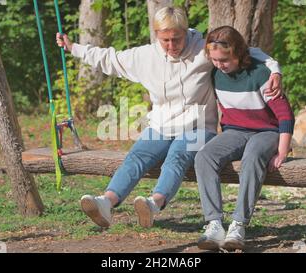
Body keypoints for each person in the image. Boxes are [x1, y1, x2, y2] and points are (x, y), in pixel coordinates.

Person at [56, 6, 283, 229]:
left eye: (177, 39)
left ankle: (154, 204)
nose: (171, 45)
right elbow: (110, 58)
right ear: (157, 36)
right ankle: (106, 202)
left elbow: (243, 51)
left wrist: (274, 69)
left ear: (186, 32)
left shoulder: (201, 49)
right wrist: (73, 47)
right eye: (165, 40)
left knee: (177, 156)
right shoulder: (145, 56)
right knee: (136, 156)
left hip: (199, 126)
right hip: (162, 124)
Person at [195, 26, 294, 251]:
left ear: (239, 53)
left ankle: (238, 224)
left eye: (225, 60)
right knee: (204, 156)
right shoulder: (214, 73)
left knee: (252, 156)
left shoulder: (260, 74)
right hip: (235, 131)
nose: (220, 65)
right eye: (215, 60)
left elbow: (285, 115)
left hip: (267, 132)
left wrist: (282, 150)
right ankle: (214, 224)